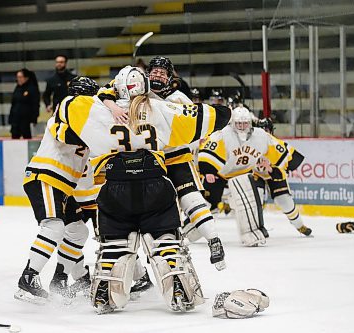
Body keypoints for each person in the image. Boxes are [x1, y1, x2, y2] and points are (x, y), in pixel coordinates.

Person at [46, 66, 226, 313]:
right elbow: (215, 116)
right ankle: (178, 285)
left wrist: (106, 99)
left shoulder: (93, 109)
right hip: (155, 184)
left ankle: (107, 293)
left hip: (114, 187)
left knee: (115, 245)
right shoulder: (161, 109)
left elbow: (66, 108)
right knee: (166, 243)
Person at [98, 57, 230, 280]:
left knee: (190, 198)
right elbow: (107, 91)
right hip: (150, 160)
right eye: (155, 72)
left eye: (163, 73)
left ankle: (213, 240)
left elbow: (196, 128)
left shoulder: (178, 98)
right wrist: (111, 106)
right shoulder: (138, 93)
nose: (158, 75)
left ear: (171, 78)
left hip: (175, 156)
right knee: (157, 215)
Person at [14, 76, 100, 304]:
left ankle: (60, 279)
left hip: (63, 186)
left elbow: (88, 169)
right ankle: (28, 278)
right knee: (54, 225)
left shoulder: (89, 125)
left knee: (78, 231)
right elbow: (66, 135)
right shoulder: (63, 113)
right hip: (46, 177)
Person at [198, 107, 312, 245]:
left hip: (269, 173)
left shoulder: (265, 139)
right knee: (252, 197)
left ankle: (299, 225)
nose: (242, 127)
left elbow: (283, 160)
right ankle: (257, 227)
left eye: (245, 124)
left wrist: (271, 168)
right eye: (239, 124)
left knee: (284, 200)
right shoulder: (229, 136)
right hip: (253, 173)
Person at [8, 68, 40, 139]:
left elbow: (35, 104)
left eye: (20, 77)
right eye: (17, 77)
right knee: (15, 137)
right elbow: (13, 103)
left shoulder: (32, 88)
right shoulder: (17, 88)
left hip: (26, 119)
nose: (18, 79)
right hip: (16, 119)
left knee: (27, 137)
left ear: (26, 78)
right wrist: (11, 117)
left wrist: (34, 117)